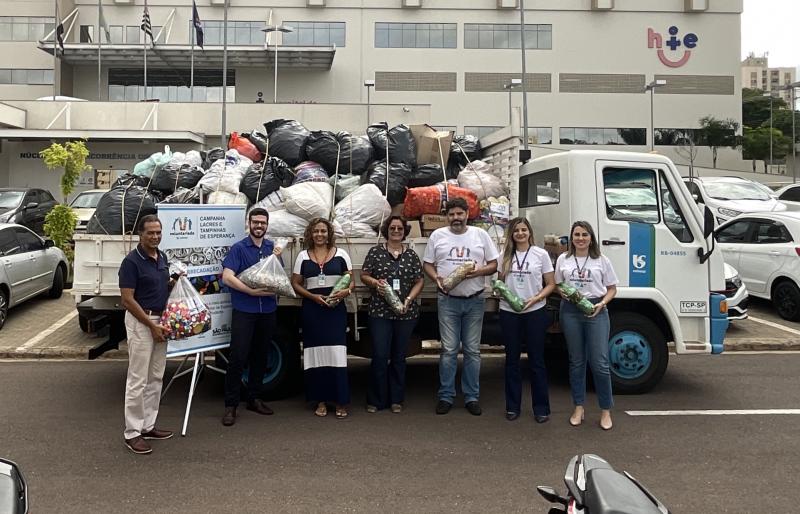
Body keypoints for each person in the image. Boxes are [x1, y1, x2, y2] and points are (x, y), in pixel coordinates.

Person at [423, 198, 499, 416]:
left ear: (467, 214)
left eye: (460, 213)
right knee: (448, 350)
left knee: (473, 351)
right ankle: (446, 396)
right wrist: (435, 276)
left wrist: (478, 272)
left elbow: (493, 264)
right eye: (452, 214)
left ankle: (471, 397)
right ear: (447, 216)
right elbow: (427, 264)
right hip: (448, 300)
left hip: (475, 300)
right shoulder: (438, 236)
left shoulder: (480, 235)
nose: (456, 218)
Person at [220, 207, 281, 427]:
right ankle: (231, 405)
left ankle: (254, 398)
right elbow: (227, 277)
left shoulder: (271, 248)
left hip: (267, 311)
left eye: (262, 223)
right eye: (255, 222)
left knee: (261, 355)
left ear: (267, 225)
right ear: (249, 223)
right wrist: (249, 290)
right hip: (245, 310)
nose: (259, 226)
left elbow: (277, 276)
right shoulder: (239, 248)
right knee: (238, 357)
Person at [119, 214, 174, 455]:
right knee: (138, 379)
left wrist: (174, 283)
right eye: (150, 232)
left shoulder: (161, 257)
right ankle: (132, 433)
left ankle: (148, 425)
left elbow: (162, 287)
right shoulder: (131, 262)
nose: (155, 236)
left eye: (158, 232)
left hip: (160, 322)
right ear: (140, 234)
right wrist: (151, 326)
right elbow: (127, 299)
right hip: (142, 323)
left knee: (156, 377)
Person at [555, 221, 618, 431]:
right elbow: (558, 285)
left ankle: (606, 410)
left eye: (584, 234)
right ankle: (579, 407)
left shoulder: (601, 260)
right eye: (577, 235)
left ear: (591, 237)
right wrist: (562, 292)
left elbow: (611, 289)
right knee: (576, 362)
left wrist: (602, 303)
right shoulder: (564, 259)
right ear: (571, 238)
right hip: (571, 311)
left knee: (599, 363)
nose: (580, 238)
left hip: (595, 309)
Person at [361, 216, 424, 413]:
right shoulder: (375, 252)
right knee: (380, 355)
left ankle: (396, 399)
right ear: (386, 230)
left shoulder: (411, 255)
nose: (396, 230)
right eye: (392, 227)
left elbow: (419, 280)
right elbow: (364, 275)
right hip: (380, 312)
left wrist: (409, 299)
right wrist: (374, 283)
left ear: (404, 231)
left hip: (405, 313)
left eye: (399, 228)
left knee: (398, 357)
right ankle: (376, 400)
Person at [291, 217, 354, 419]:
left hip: (335, 311)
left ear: (329, 234)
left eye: (323, 231)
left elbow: (350, 280)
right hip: (313, 310)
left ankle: (340, 401)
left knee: (336, 355)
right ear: (310, 234)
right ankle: (320, 400)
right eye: (316, 231)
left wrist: (346, 292)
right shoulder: (302, 256)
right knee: (315, 356)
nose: (320, 235)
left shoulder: (341, 254)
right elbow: (296, 284)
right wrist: (313, 297)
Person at [497, 217, 555, 423]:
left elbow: (551, 284)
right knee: (511, 360)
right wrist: (501, 292)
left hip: (535, 312)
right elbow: (500, 284)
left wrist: (537, 297)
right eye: (516, 231)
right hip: (509, 312)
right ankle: (512, 406)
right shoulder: (504, 255)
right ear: (511, 234)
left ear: (529, 232)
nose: (520, 233)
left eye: (523, 230)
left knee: (536, 361)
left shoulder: (541, 255)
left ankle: (541, 408)